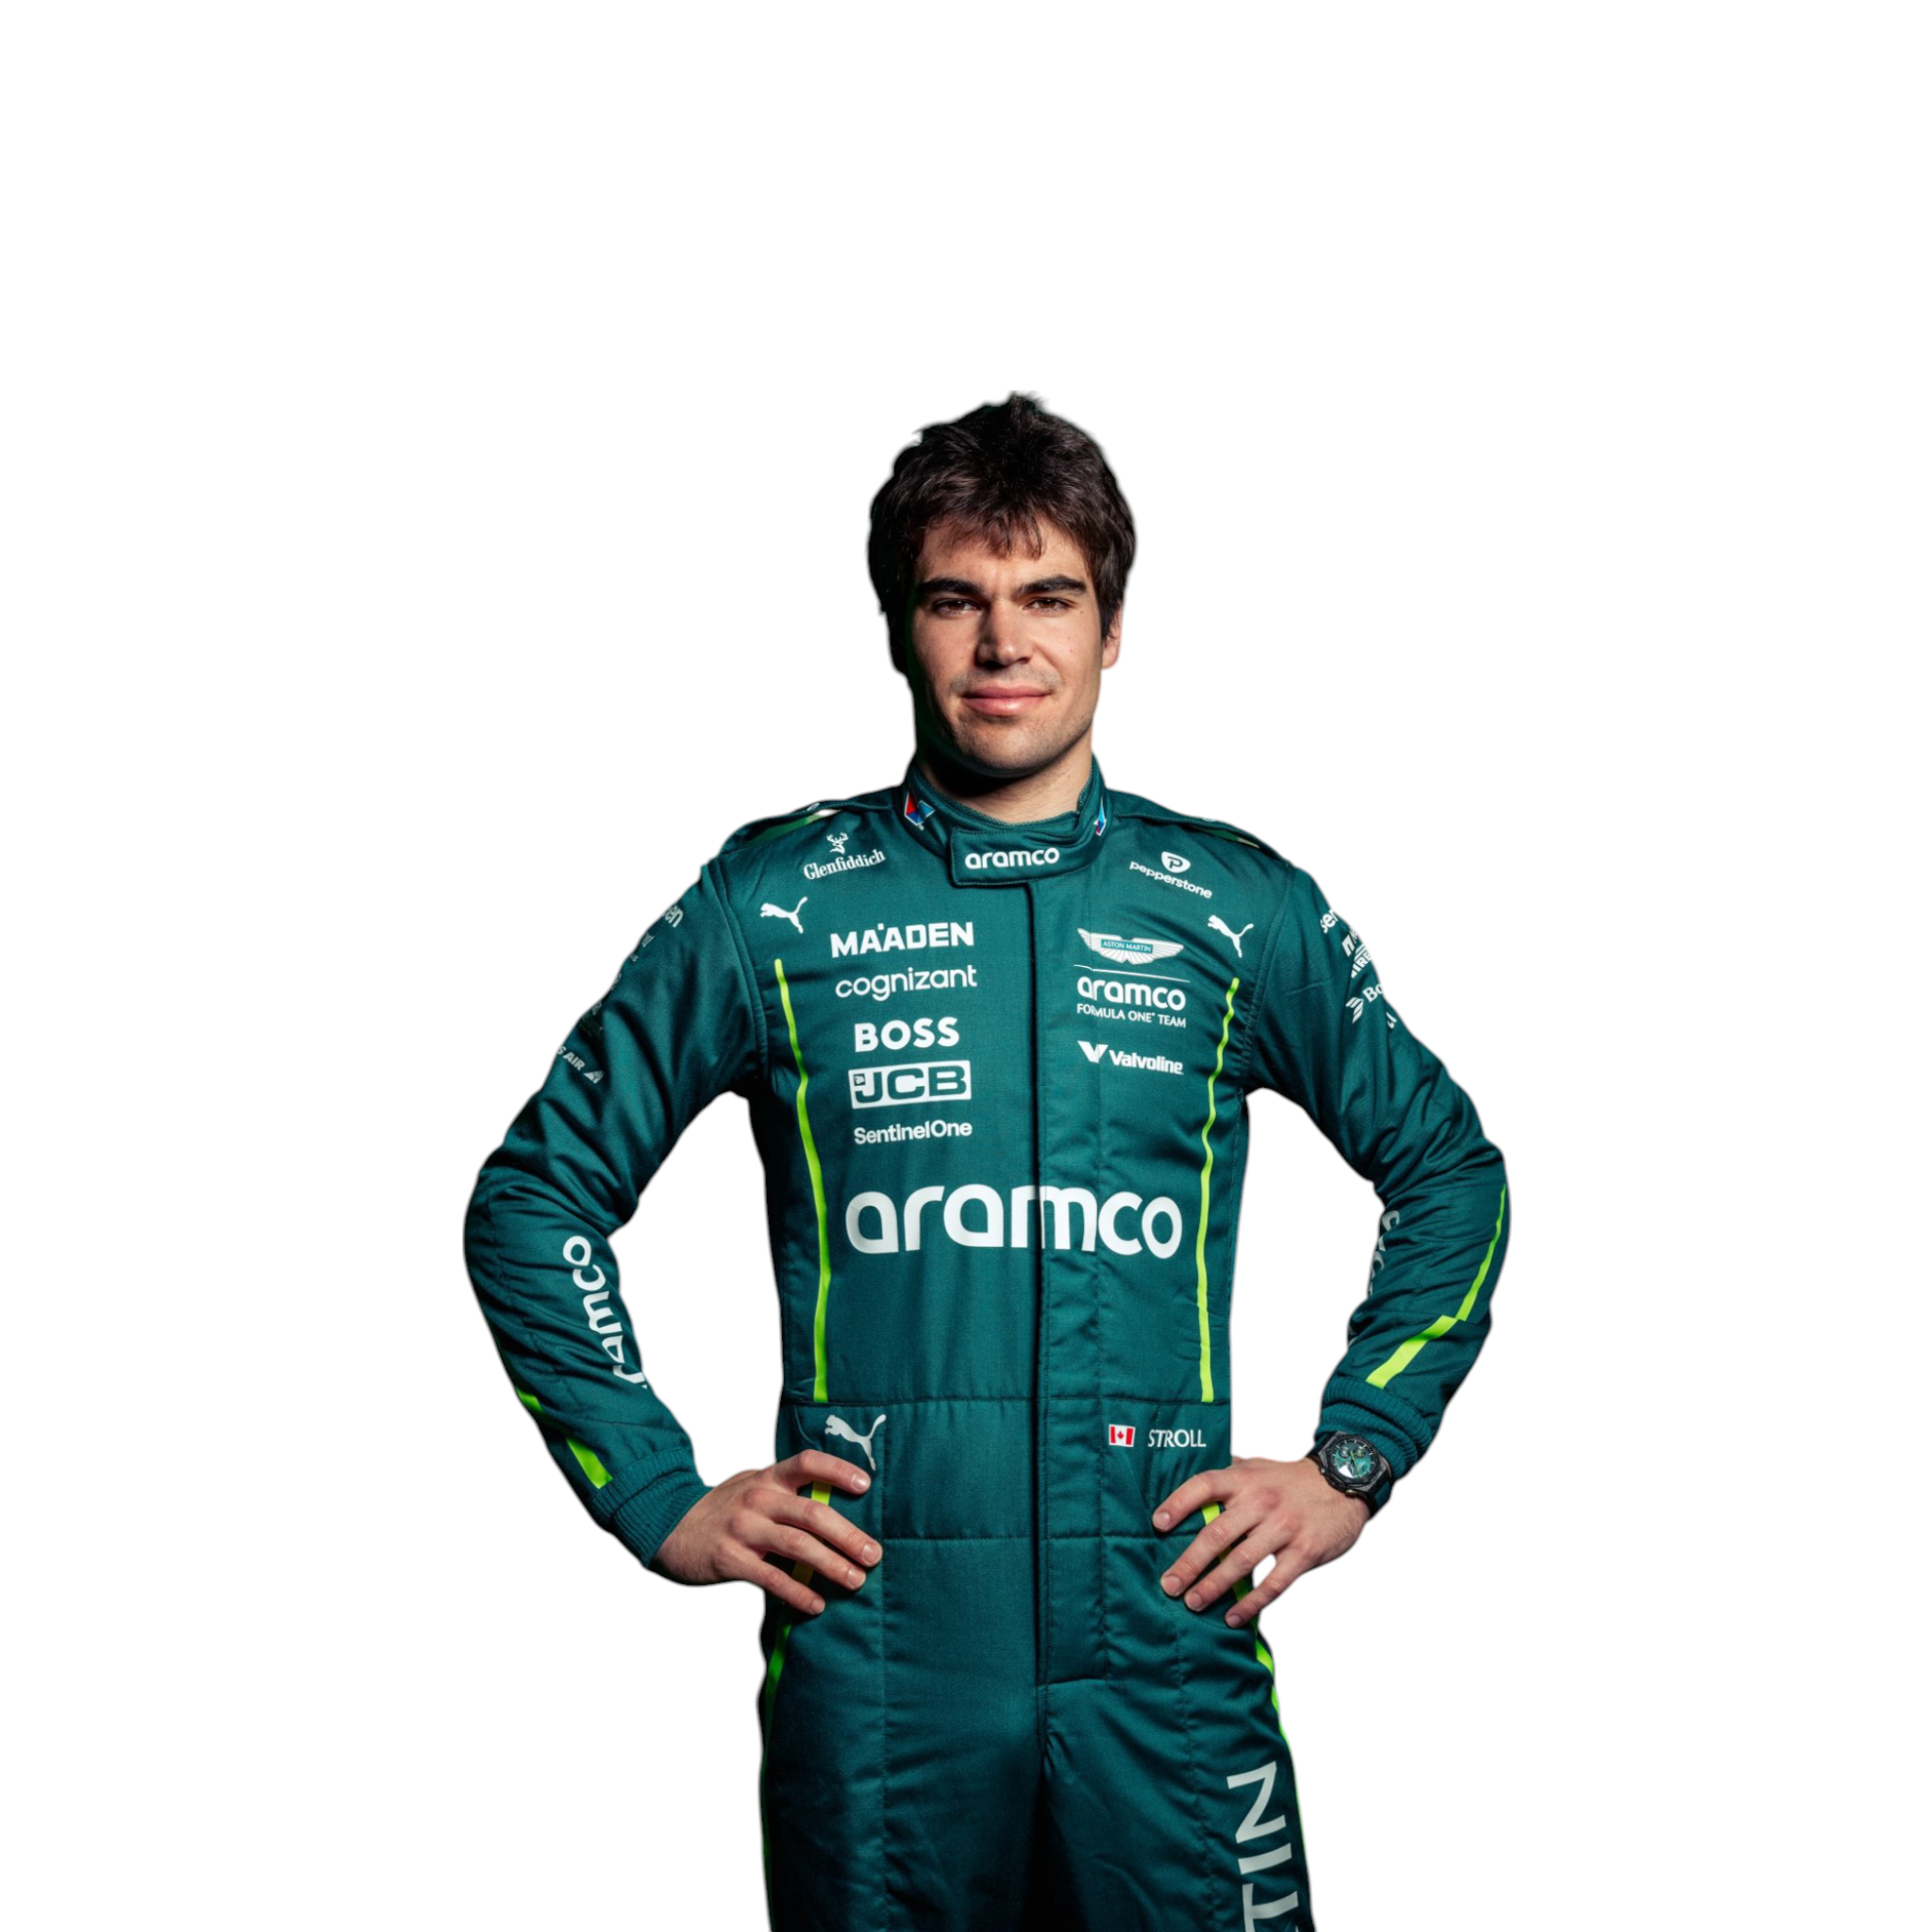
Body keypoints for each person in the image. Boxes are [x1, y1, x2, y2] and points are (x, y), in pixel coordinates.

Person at [462, 393, 1511, 1930]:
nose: (1003, 642)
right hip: (880, 1662)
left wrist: (1353, 1460)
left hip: (1167, 1637)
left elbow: (1450, 1174)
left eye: (1049, 598)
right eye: (957, 599)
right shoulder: (775, 903)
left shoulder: (1236, 907)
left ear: (1112, 627)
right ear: (900, 627)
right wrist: (658, 1492)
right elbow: (534, 1199)